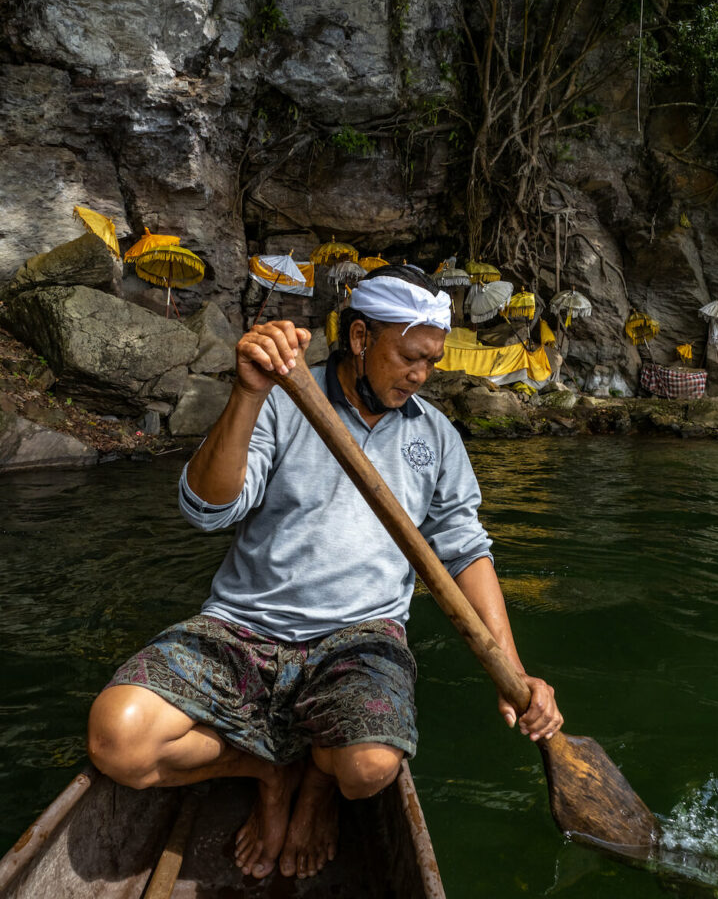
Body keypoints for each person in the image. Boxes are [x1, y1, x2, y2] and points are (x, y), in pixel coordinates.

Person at [87, 265, 562, 881]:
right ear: (361, 339)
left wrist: (513, 671)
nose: (423, 375)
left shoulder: (437, 436)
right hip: (243, 625)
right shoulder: (285, 401)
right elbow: (207, 508)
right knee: (116, 740)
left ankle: (314, 784)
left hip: (361, 639)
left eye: (433, 360)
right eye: (410, 357)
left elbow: (467, 551)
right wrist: (249, 393)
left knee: (369, 770)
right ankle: (267, 768)